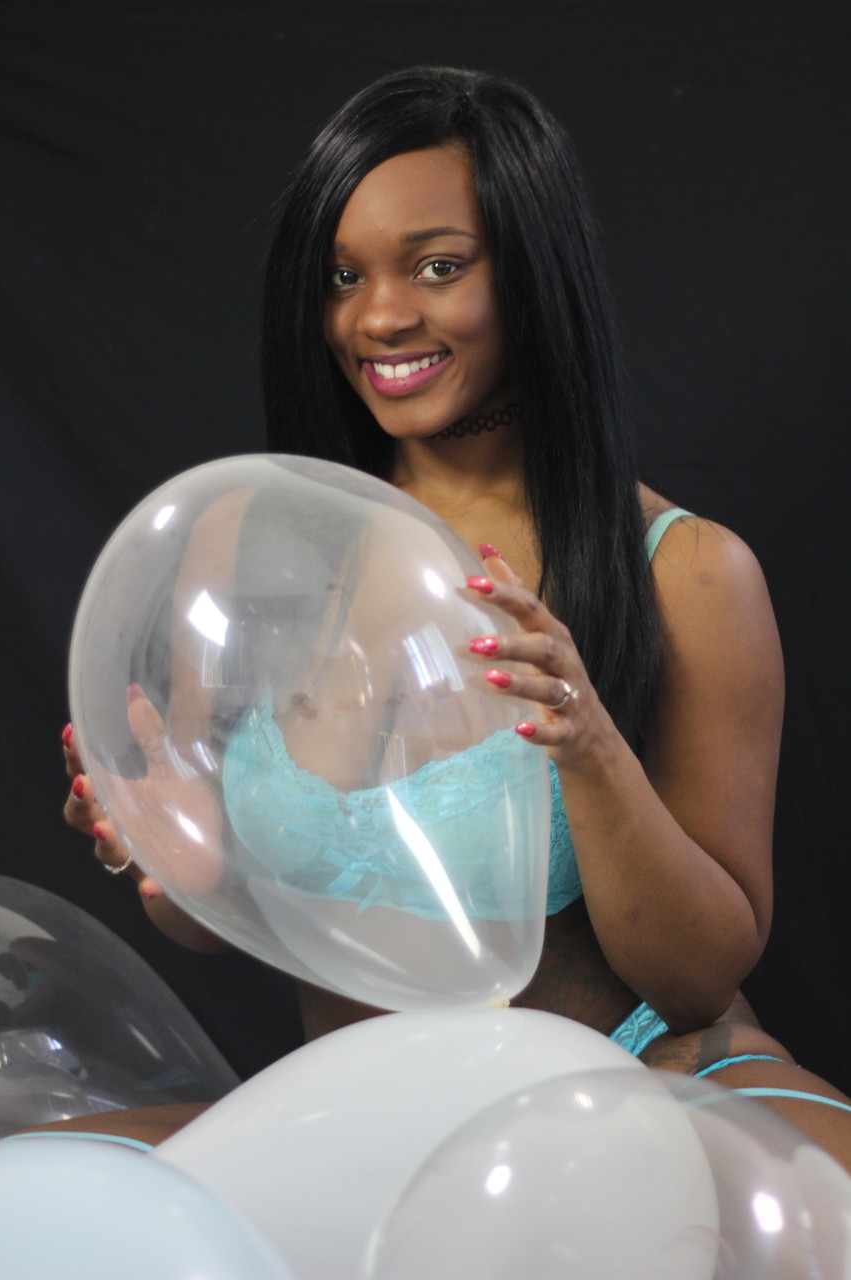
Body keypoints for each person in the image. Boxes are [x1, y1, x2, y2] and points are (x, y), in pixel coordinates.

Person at [59, 65, 851, 1167]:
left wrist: (587, 744)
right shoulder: (248, 535)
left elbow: (696, 978)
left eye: (437, 266)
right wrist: (185, 858)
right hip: (369, 1121)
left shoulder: (686, 572)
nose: (379, 316)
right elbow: (210, 915)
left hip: (635, 1083)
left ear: (530, 271)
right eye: (342, 276)